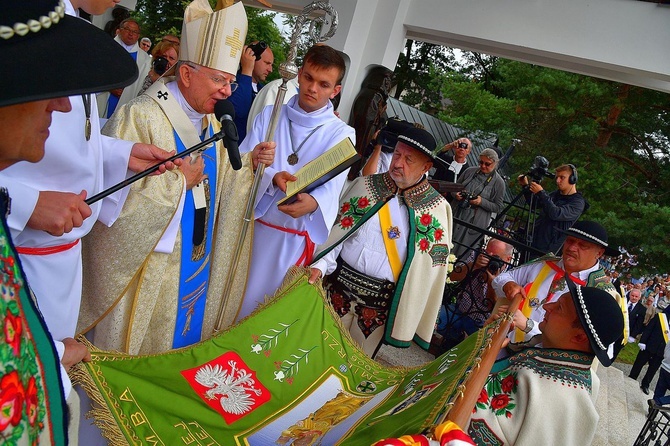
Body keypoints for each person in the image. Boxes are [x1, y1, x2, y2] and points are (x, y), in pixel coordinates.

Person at [0, 0, 181, 405]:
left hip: (61, 253)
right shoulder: (25, 17)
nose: (62, 102)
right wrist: (25, 204)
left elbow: (73, 132)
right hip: (24, 248)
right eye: (51, 92)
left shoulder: (58, 19)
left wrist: (118, 155)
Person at [80, 0, 274, 354]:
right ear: (186, 74)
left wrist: (247, 167)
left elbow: (219, 186)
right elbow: (108, 204)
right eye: (219, 79)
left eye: (231, 82)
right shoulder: (140, 118)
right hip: (150, 272)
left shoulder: (212, 122)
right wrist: (175, 185)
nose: (227, 92)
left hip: (193, 267)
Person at [376, 284, 624, 445]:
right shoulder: (550, 355)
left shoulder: (565, 400)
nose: (546, 307)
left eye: (558, 308)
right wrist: (488, 338)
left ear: (579, 337)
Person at [232, 44, 356, 323]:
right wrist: (270, 176)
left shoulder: (341, 133)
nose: (313, 88)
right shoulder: (270, 114)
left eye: (324, 84)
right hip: (254, 230)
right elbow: (242, 161)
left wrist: (314, 203)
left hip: (294, 240)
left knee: (265, 319)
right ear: (299, 75)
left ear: (335, 91)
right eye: (309, 78)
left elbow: (332, 189)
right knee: (235, 306)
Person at [309, 126, 453, 357]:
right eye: (396, 154)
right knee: (314, 353)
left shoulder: (436, 210)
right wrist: (321, 264)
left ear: (426, 167)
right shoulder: (366, 186)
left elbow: (428, 270)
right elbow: (337, 231)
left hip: (377, 309)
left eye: (408, 159)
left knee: (353, 370)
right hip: (335, 291)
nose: (398, 163)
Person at [492, 220, 621, 343]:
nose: (572, 248)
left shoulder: (601, 291)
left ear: (599, 253)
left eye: (583, 245)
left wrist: (528, 325)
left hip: (544, 362)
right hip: (504, 344)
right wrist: (508, 285)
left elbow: (585, 342)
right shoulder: (545, 264)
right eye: (570, 241)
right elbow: (501, 278)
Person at [437, 238, 513, 349]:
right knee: (434, 320)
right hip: (459, 310)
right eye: (487, 253)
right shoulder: (478, 256)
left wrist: (492, 283)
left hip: (482, 323)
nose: (488, 259)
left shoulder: (510, 277)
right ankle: (458, 339)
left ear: (508, 259)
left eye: (495, 257)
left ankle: (460, 345)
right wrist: (474, 265)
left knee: (481, 346)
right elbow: (453, 276)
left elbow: (493, 306)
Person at [519, 163, 588, 256]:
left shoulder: (577, 203)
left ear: (572, 179)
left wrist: (541, 193)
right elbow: (536, 204)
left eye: (562, 177)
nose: (558, 181)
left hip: (547, 251)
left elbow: (556, 213)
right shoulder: (556, 194)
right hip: (533, 242)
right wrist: (526, 187)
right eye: (557, 177)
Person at [450, 148, 505, 258]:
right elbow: (453, 188)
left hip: (473, 222)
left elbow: (498, 207)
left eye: (487, 164)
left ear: (495, 163)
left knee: (461, 254)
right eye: (481, 162)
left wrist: (481, 202)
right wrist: (456, 194)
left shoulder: (499, 182)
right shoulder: (470, 171)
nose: (483, 166)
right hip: (457, 212)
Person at [97, 18, 153, 118]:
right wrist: (109, 87)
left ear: (138, 35)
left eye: (134, 31)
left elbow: (142, 85)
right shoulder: (105, 48)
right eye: (127, 29)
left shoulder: (144, 59)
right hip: (101, 99)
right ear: (119, 30)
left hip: (127, 105)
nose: (131, 34)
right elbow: (94, 72)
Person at [228, 40, 274, 143]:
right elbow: (240, 110)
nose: (270, 69)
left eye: (271, 65)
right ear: (253, 58)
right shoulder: (231, 83)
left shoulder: (264, 91)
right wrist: (247, 70)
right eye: (267, 63)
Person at [629, 306, 670, 395]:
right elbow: (649, 329)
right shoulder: (660, 317)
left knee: (653, 369)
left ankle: (645, 384)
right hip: (649, 345)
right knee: (639, 363)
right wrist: (643, 341)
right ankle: (632, 377)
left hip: (661, 351)